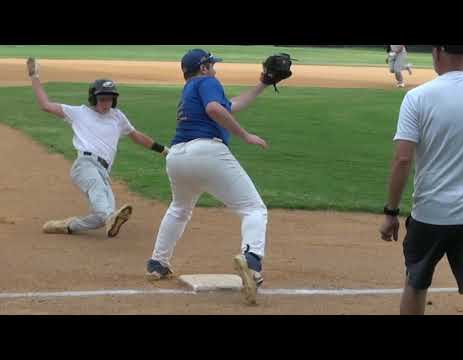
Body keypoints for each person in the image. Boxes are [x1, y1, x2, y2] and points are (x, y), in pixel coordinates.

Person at [145, 49, 281, 305]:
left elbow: (230, 105)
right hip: (206, 152)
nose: (215, 69)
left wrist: (262, 84)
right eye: (212, 65)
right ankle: (252, 262)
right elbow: (215, 109)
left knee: (179, 208)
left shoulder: (189, 89)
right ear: (203, 67)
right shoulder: (207, 82)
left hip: (177, 156)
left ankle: (157, 263)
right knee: (254, 209)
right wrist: (245, 135)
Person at [379, 45, 463, 315]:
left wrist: (390, 212)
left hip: (430, 213)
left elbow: (402, 160)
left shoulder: (418, 97)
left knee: (415, 283)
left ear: (436, 52)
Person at [27, 58, 169, 238]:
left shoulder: (118, 117)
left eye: (110, 99)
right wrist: (34, 75)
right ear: (93, 98)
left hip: (103, 171)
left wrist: (164, 150)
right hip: (85, 164)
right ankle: (111, 216)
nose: (106, 102)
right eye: (102, 98)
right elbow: (45, 105)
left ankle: (67, 225)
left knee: (101, 217)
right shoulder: (79, 112)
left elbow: (137, 136)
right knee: (100, 195)